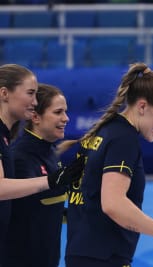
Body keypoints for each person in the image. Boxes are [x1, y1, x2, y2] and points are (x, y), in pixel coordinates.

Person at [65, 62, 153, 267]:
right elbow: (113, 204)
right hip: (104, 258)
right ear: (142, 106)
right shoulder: (124, 139)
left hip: (83, 253)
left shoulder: (103, 131)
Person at [0, 64, 84, 266]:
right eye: (30, 93)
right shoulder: (20, 154)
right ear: (4, 93)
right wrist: (52, 181)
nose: (66, 118)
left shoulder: (46, 152)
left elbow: (39, 207)